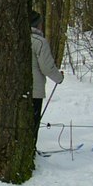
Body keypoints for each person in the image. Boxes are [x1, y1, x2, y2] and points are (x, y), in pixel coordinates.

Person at [30, 11, 64, 143]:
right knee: (32, 122)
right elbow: (47, 67)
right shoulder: (39, 41)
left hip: (16, 90)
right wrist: (59, 78)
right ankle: (30, 149)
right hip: (34, 89)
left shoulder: (16, 37)